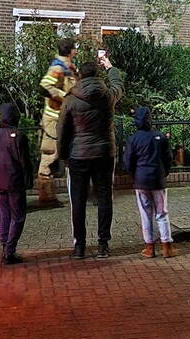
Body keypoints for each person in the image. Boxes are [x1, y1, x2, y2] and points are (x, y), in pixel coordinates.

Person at [58, 53, 124, 259]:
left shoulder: (70, 99)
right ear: (97, 75)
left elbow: (63, 130)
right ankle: (103, 244)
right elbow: (118, 83)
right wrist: (110, 66)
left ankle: (80, 246)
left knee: (77, 201)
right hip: (104, 153)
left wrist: (63, 156)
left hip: (78, 155)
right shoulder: (108, 95)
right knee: (105, 198)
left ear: (80, 76)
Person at [124, 106, 175, 259]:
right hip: (158, 181)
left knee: (145, 214)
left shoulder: (133, 139)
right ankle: (167, 247)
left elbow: (128, 162)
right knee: (162, 213)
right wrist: (164, 173)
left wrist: (134, 175)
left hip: (141, 181)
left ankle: (149, 247)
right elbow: (168, 159)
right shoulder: (160, 137)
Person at [0, 101, 34, 265]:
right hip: (15, 182)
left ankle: (5, 246)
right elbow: (25, 161)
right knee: (18, 216)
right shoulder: (18, 137)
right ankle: (10, 250)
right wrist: (28, 179)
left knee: (3, 215)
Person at [37, 38, 78, 207]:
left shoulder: (68, 67)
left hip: (64, 117)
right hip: (54, 118)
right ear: (70, 51)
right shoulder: (58, 68)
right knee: (50, 155)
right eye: (75, 49)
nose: (76, 51)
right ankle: (46, 196)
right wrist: (64, 98)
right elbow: (45, 86)